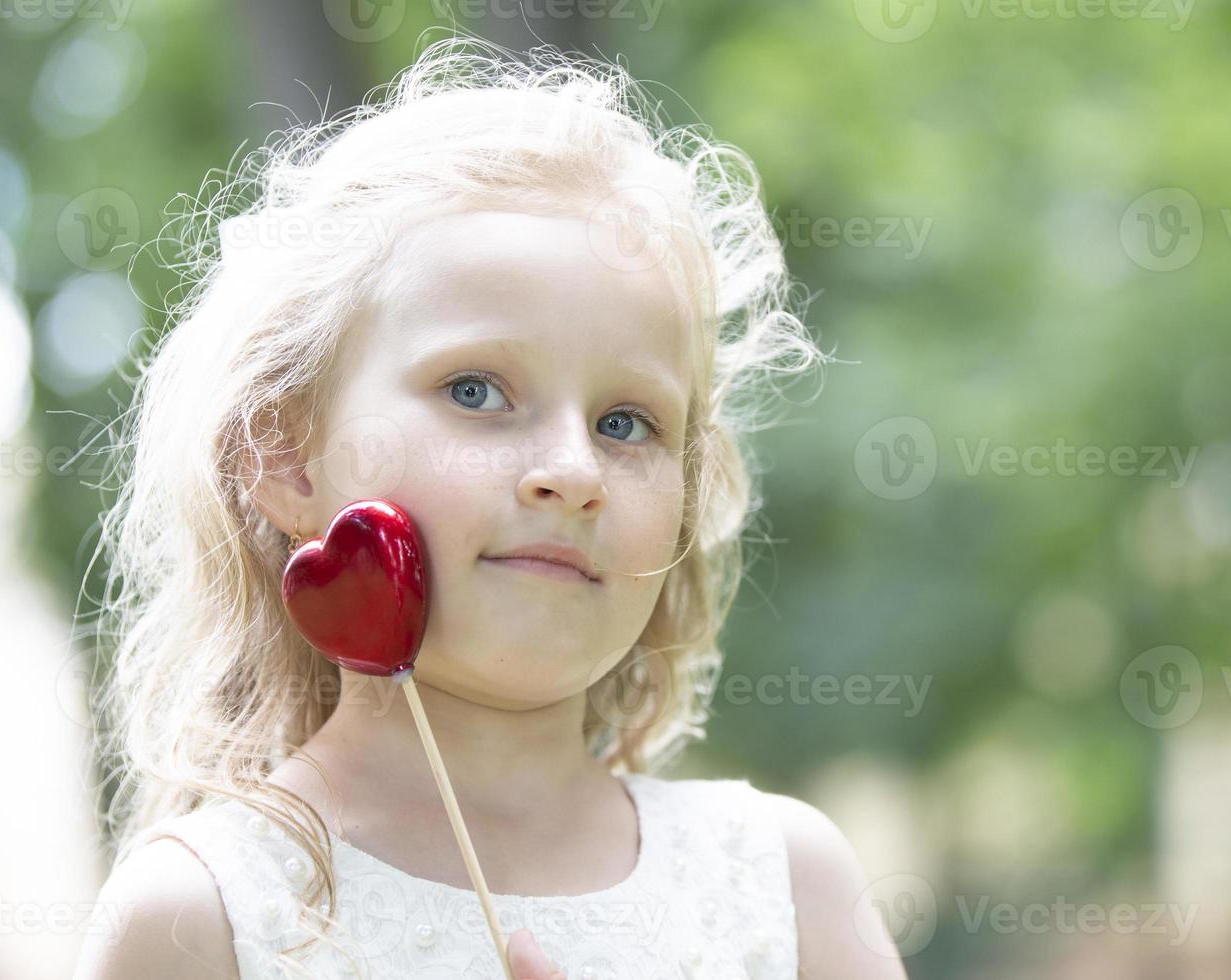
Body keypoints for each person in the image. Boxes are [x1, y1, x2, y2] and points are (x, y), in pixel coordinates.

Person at [72, 33, 907, 980]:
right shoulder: (198, 916)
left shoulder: (794, 889)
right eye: (476, 391)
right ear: (287, 456)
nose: (574, 468)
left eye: (627, 422)